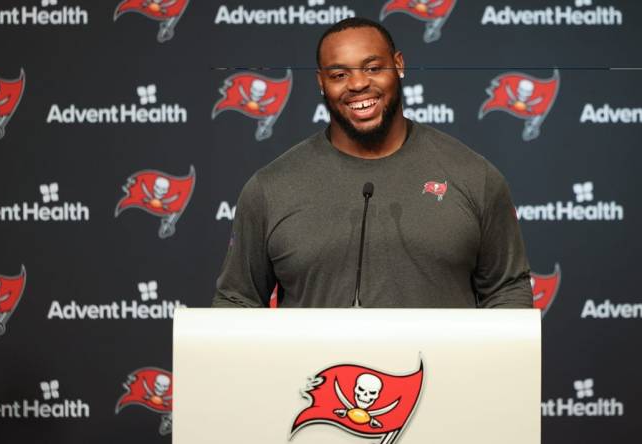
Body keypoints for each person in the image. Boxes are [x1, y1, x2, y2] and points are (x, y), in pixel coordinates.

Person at [213, 17, 532, 308]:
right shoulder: (270, 188)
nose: (357, 85)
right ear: (321, 83)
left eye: (372, 68)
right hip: (319, 373)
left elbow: (507, 293)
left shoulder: (474, 176)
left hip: (440, 373)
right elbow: (236, 300)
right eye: (339, 74)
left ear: (399, 65)